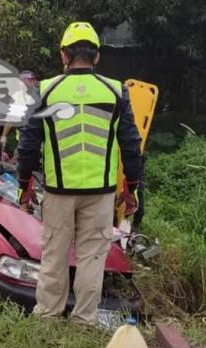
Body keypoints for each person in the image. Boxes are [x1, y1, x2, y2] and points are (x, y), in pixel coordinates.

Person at [16, 21, 143, 326]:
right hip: (100, 195)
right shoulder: (116, 91)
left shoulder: (45, 90)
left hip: (59, 192)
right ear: (96, 56)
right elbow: (131, 143)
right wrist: (132, 187)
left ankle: (47, 316)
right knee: (91, 258)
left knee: (54, 257)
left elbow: (28, 144)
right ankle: (84, 320)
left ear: (64, 55)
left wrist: (24, 184)